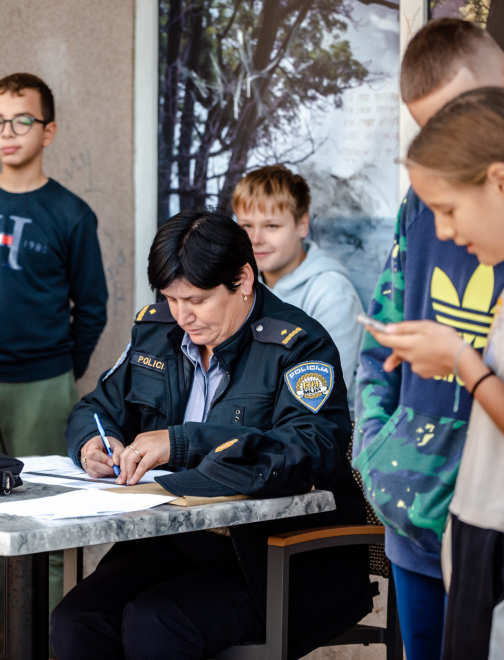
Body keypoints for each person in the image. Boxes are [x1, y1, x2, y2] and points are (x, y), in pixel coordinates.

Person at [352, 17, 504, 660]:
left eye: (464, 116)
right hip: (435, 518)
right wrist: (378, 453)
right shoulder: (440, 200)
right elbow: (382, 341)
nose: (446, 226)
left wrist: (462, 364)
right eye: (434, 129)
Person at [51, 208, 373, 660]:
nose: (183, 315)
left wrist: (182, 442)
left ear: (243, 280)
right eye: (171, 298)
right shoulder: (155, 331)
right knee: (75, 620)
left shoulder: (299, 344)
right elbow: (97, 409)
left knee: (157, 623)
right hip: (172, 540)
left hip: (273, 555)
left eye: (198, 300)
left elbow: (310, 449)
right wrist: (93, 445)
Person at [0, 73, 108, 660]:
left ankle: (50, 647)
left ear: (49, 130)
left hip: (43, 384)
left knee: (49, 523)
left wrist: (65, 371)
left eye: (21, 121)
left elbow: (91, 306)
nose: (7, 133)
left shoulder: (70, 213)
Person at [232, 165, 363, 402]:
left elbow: (325, 393)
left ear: (302, 225)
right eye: (246, 226)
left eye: (272, 226)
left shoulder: (333, 295)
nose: (255, 239)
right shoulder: (237, 285)